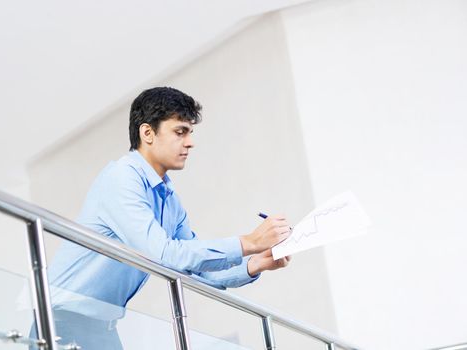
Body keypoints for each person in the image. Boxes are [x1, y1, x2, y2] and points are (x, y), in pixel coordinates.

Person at [37, 87, 292, 350]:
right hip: (62, 319)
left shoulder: (168, 200)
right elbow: (164, 254)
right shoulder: (121, 179)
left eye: (190, 133)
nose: (190, 142)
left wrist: (256, 263)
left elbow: (195, 268)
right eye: (180, 132)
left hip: (102, 326)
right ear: (147, 133)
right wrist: (249, 241)